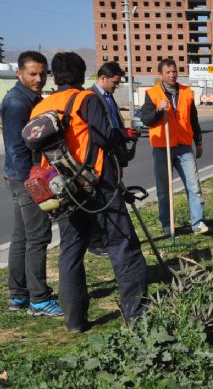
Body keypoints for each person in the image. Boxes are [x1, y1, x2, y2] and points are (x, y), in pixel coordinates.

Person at [30, 51, 147, 332]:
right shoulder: (86, 99)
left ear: (54, 77)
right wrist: (123, 138)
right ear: (83, 76)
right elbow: (104, 137)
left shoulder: (40, 107)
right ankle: (137, 316)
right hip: (97, 185)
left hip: (63, 190)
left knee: (71, 251)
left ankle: (74, 321)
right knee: (122, 246)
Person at [1, 51, 62, 316]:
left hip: (20, 176)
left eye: (42, 73)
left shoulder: (30, 98)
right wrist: (35, 184)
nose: (39, 78)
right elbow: (16, 148)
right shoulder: (17, 103)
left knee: (22, 237)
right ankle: (39, 300)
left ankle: (19, 295)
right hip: (27, 178)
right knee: (38, 237)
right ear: (19, 73)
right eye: (32, 73)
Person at [140, 58, 208, 235]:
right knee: (164, 190)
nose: (172, 75)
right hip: (163, 147)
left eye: (174, 71)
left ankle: (198, 223)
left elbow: (193, 119)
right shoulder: (152, 93)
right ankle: (167, 225)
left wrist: (198, 142)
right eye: (168, 72)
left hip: (184, 146)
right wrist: (157, 111)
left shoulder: (187, 92)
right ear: (160, 74)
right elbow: (145, 119)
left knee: (194, 186)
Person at [87, 62, 139, 255]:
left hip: (114, 153)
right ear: (103, 78)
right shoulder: (92, 97)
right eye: (115, 82)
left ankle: (108, 236)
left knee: (113, 195)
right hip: (99, 158)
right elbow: (100, 131)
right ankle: (96, 241)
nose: (117, 86)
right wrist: (121, 133)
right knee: (100, 199)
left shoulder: (108, 96)